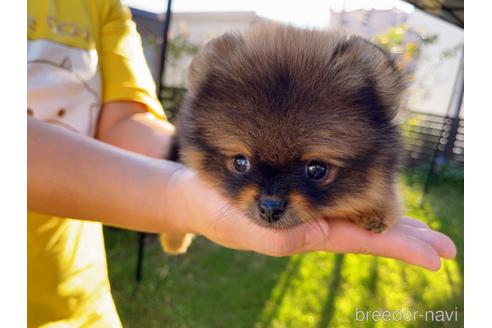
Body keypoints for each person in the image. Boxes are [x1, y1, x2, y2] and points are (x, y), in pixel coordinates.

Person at [27, 0, 457, 326]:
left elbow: (122, 120)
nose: (270, 200)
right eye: (241, 163)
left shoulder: (98, 6)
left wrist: (176, 182)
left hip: (80, 297)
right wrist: (176, 203)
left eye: (315, 171)